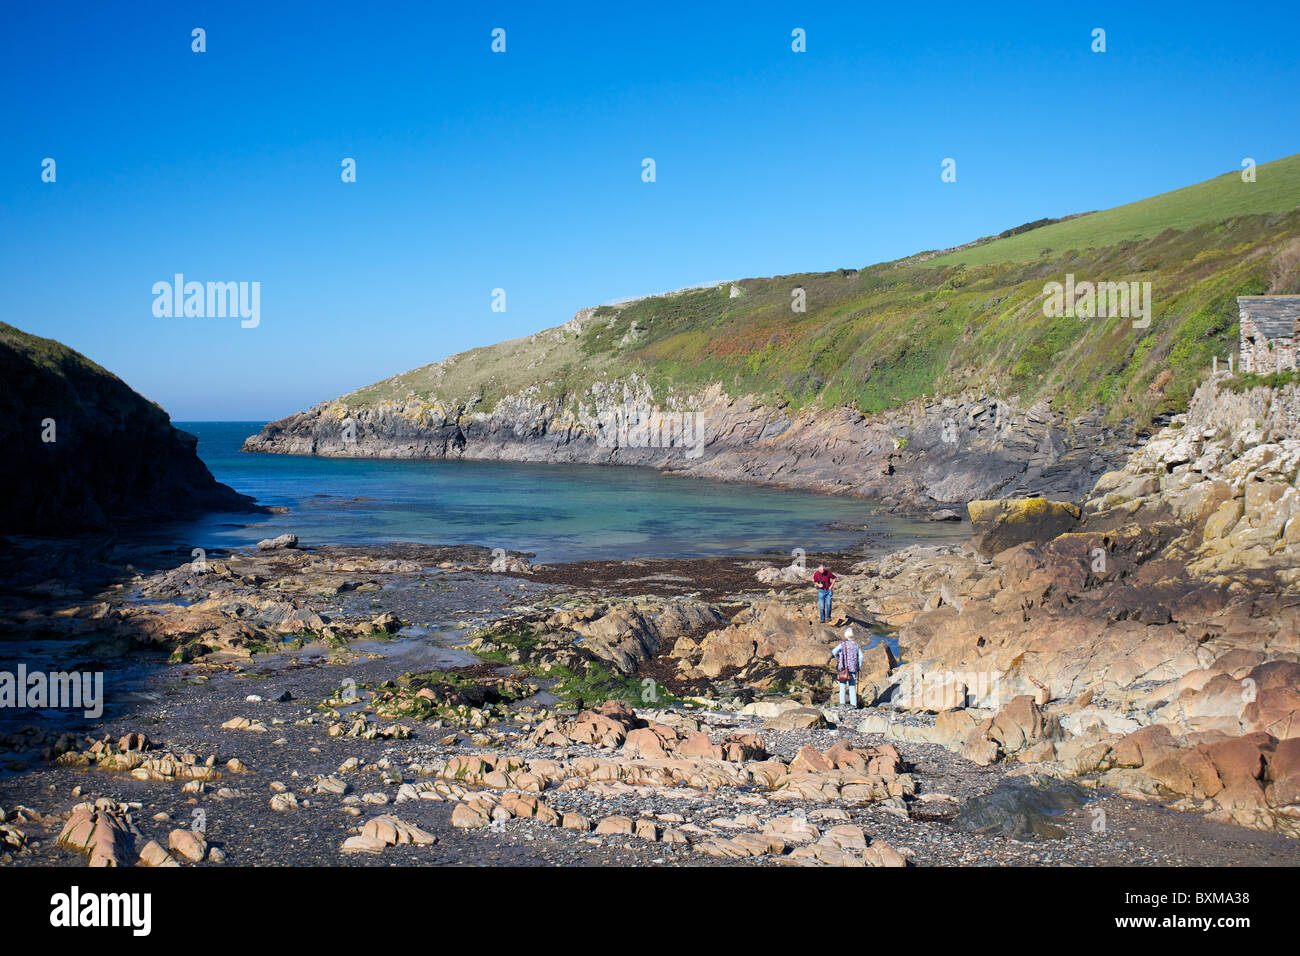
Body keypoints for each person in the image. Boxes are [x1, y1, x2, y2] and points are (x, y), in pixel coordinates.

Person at [830, 627, 863, 709]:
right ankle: (854, 705)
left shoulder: (843, 644)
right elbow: (861, 656)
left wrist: (838, 658)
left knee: (842, 685)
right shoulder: (856, 645)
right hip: (853, 668)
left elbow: (834, 651)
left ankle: (842, 704)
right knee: (852, 686)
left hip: (843, 667)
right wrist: (858, 666)